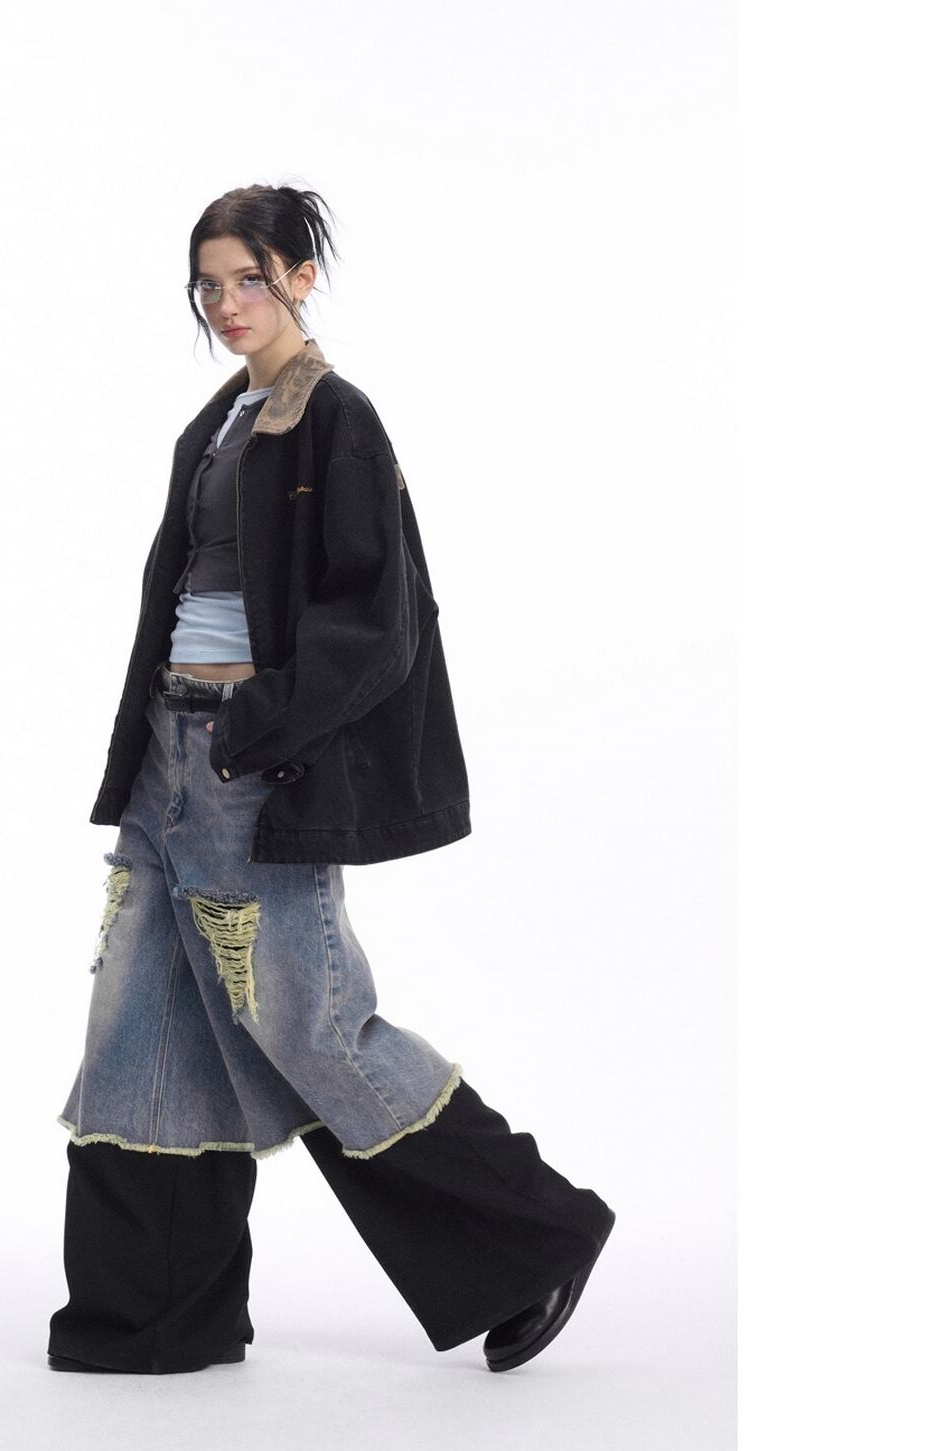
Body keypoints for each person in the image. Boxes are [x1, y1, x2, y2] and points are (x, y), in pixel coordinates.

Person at [48, 182, 615, 1375]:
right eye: (209, 285)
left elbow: (379, 622)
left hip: (246, 769)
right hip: (165, 763)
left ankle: (536, 1240)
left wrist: (253, 729)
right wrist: (159, 744)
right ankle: (155, 1317)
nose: (226, 304)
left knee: (313, 1028)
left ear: (301, 277)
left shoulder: (336, 419)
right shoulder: (221, 421)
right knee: (141, 1035)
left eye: (249, 279)